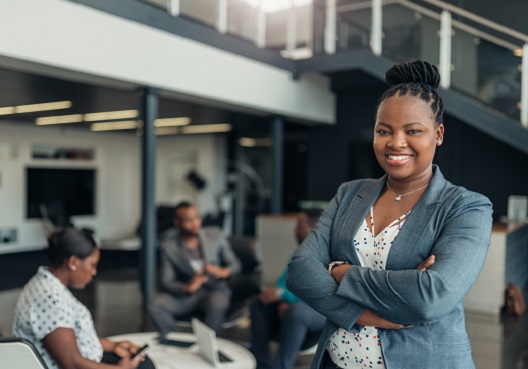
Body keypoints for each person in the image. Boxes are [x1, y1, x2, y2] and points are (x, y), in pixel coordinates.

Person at [286, 60, 493, 369]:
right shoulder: (349, 193)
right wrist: (360, 311)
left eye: (413, 131)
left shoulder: (467, 207)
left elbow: (430, 298)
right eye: (384, 131)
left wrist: (340, 272)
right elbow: (300, 271)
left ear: (438, 134)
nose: (396, 143)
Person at [12, 227, 155, 369]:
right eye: (92, 265)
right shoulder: (49, 298)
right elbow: (72, 364)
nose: (94, 272)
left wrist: (113, 345)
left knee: (140, 361)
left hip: (81, 358)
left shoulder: (44, 281)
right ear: (73, 262)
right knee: (143, 366)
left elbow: (69, 339)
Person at [148, 201, 241, 335]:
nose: (195, 223)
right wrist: (186, 287)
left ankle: (210, 346)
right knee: (155, 304)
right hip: (188, 295)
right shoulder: (169, 246)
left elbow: (235, 264)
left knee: (217, 304)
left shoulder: (215, 235)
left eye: (197, 218)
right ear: (177, 222)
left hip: (215, 290)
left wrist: (225, 271)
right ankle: (180, 341)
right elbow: (166, 281)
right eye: (188, 220)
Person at [251, 208, 326, 369]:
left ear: (314, 229)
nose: (295, 230)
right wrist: (277, 294)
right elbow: (283, 280)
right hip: (295, 301)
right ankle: (261, 364)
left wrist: (284, 297)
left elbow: (317, 291)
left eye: (299, 225)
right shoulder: (300, 251)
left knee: (297, 312)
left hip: (321, 309)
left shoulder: (327, 254)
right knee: (258, 303)